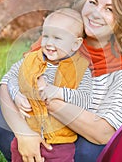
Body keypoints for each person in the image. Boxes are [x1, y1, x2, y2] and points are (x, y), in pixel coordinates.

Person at [0, 0, 122, 162]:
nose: (96, 13)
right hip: (49, 125)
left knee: (87, 153)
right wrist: (24, 133)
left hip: (91, 136)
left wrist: (49, 98)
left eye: (109, 9)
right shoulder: (61, 35)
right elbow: (7, 82)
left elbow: (103, 133)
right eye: (93, 2)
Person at [8, 8, 92, 162]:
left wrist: (58, 92)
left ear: (75, 44)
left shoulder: (81, 69)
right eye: (45, 36)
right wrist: (16, 96)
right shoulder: (32, 59)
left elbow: (85, 100)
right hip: (27, 135)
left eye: (57, 38)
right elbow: (11, 77)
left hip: (60, 144)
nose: (49, 43)